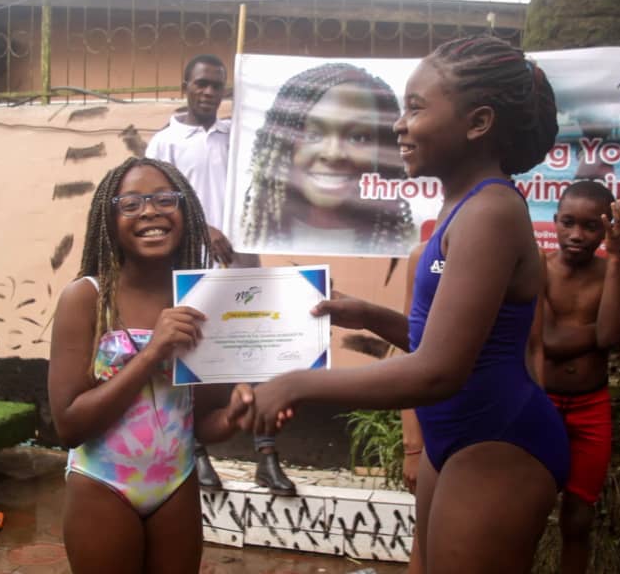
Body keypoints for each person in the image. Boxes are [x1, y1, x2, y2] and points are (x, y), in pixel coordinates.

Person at [248, 36, 570, 573]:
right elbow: (457, 341)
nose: (399, 125)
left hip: (498, 441)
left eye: (416, 108)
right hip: (458, 438)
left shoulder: (490, 211)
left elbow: (439, 371)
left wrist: (298, 383)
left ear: (478, 122)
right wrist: (372, 316)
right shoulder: (458, 210)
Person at [47, 157, 255, 574]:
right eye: (131, 204)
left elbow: (203, 421)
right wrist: (151, 353)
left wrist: (233, 417)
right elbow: (69, 425)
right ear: (109, 219)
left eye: (165, 199)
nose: (150, 211)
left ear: (187, 212)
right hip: (104, 484)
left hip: (175, 484)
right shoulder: (86, 298)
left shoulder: (201, 299)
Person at [146, 54, 296, 496]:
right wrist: (203, 227)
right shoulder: (165, 143)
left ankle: (266, 456)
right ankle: (196, 453)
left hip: (243, 264)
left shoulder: (238, 136)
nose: (210, 92)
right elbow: (155, 201)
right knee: (196, 357)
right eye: (202, 84)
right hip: (192, 268)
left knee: (258, 354)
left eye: (218, 86)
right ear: (185, 85)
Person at [535, 181, 620, 574]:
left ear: (609, 228)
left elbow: (609, 337)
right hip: (542, 401)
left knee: (579, 518)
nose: (577, 235)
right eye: (568, 223)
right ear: (555, 222)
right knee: (528, 508)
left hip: (591, 406)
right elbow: (546, 339)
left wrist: (617, 256)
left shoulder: (619, 271)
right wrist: (598, 333)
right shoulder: (538, 267)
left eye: (591, 226)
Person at [241, 62, 416, 255]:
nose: (333, 154)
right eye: (313, 136)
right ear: (282, 146)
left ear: (384, 149)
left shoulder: (409, 247)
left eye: (358, 137)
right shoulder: (244, 239)